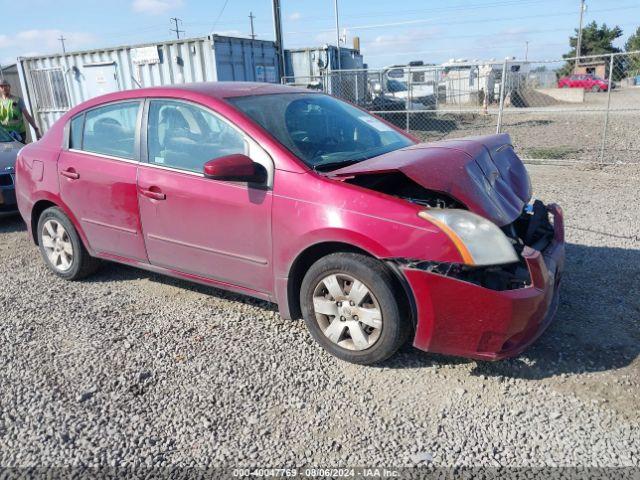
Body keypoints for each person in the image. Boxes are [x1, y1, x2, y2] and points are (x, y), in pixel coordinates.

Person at [0, 78, 40, 143]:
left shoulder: (18, 100)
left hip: (19, 133)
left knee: (19, 149)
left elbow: (27, 116)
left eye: (6, 86)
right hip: (6, 135)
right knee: (9, 151)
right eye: (1, 86)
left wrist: (36, 129)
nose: (4, 88)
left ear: (9, 87)